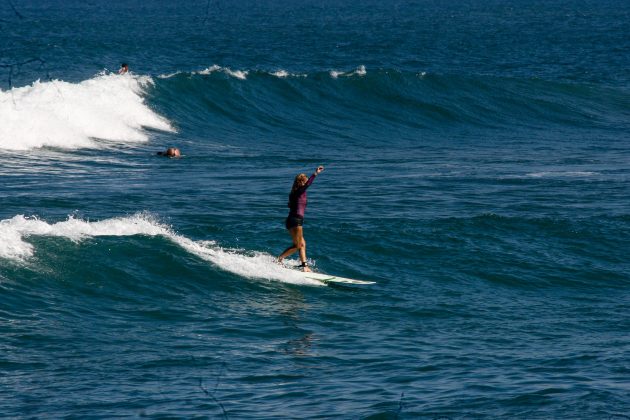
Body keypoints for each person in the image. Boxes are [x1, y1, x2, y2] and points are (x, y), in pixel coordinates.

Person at [278, 165, 325, 272]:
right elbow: (308, 184)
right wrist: (315, 173)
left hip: (291, 220)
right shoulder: (299, 192)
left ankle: (304, 266)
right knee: (297, 245)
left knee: (302, 244)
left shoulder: (294, 193)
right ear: (302, 182)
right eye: (305, 180)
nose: (307, 182)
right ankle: (279, 259)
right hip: (296, 221)